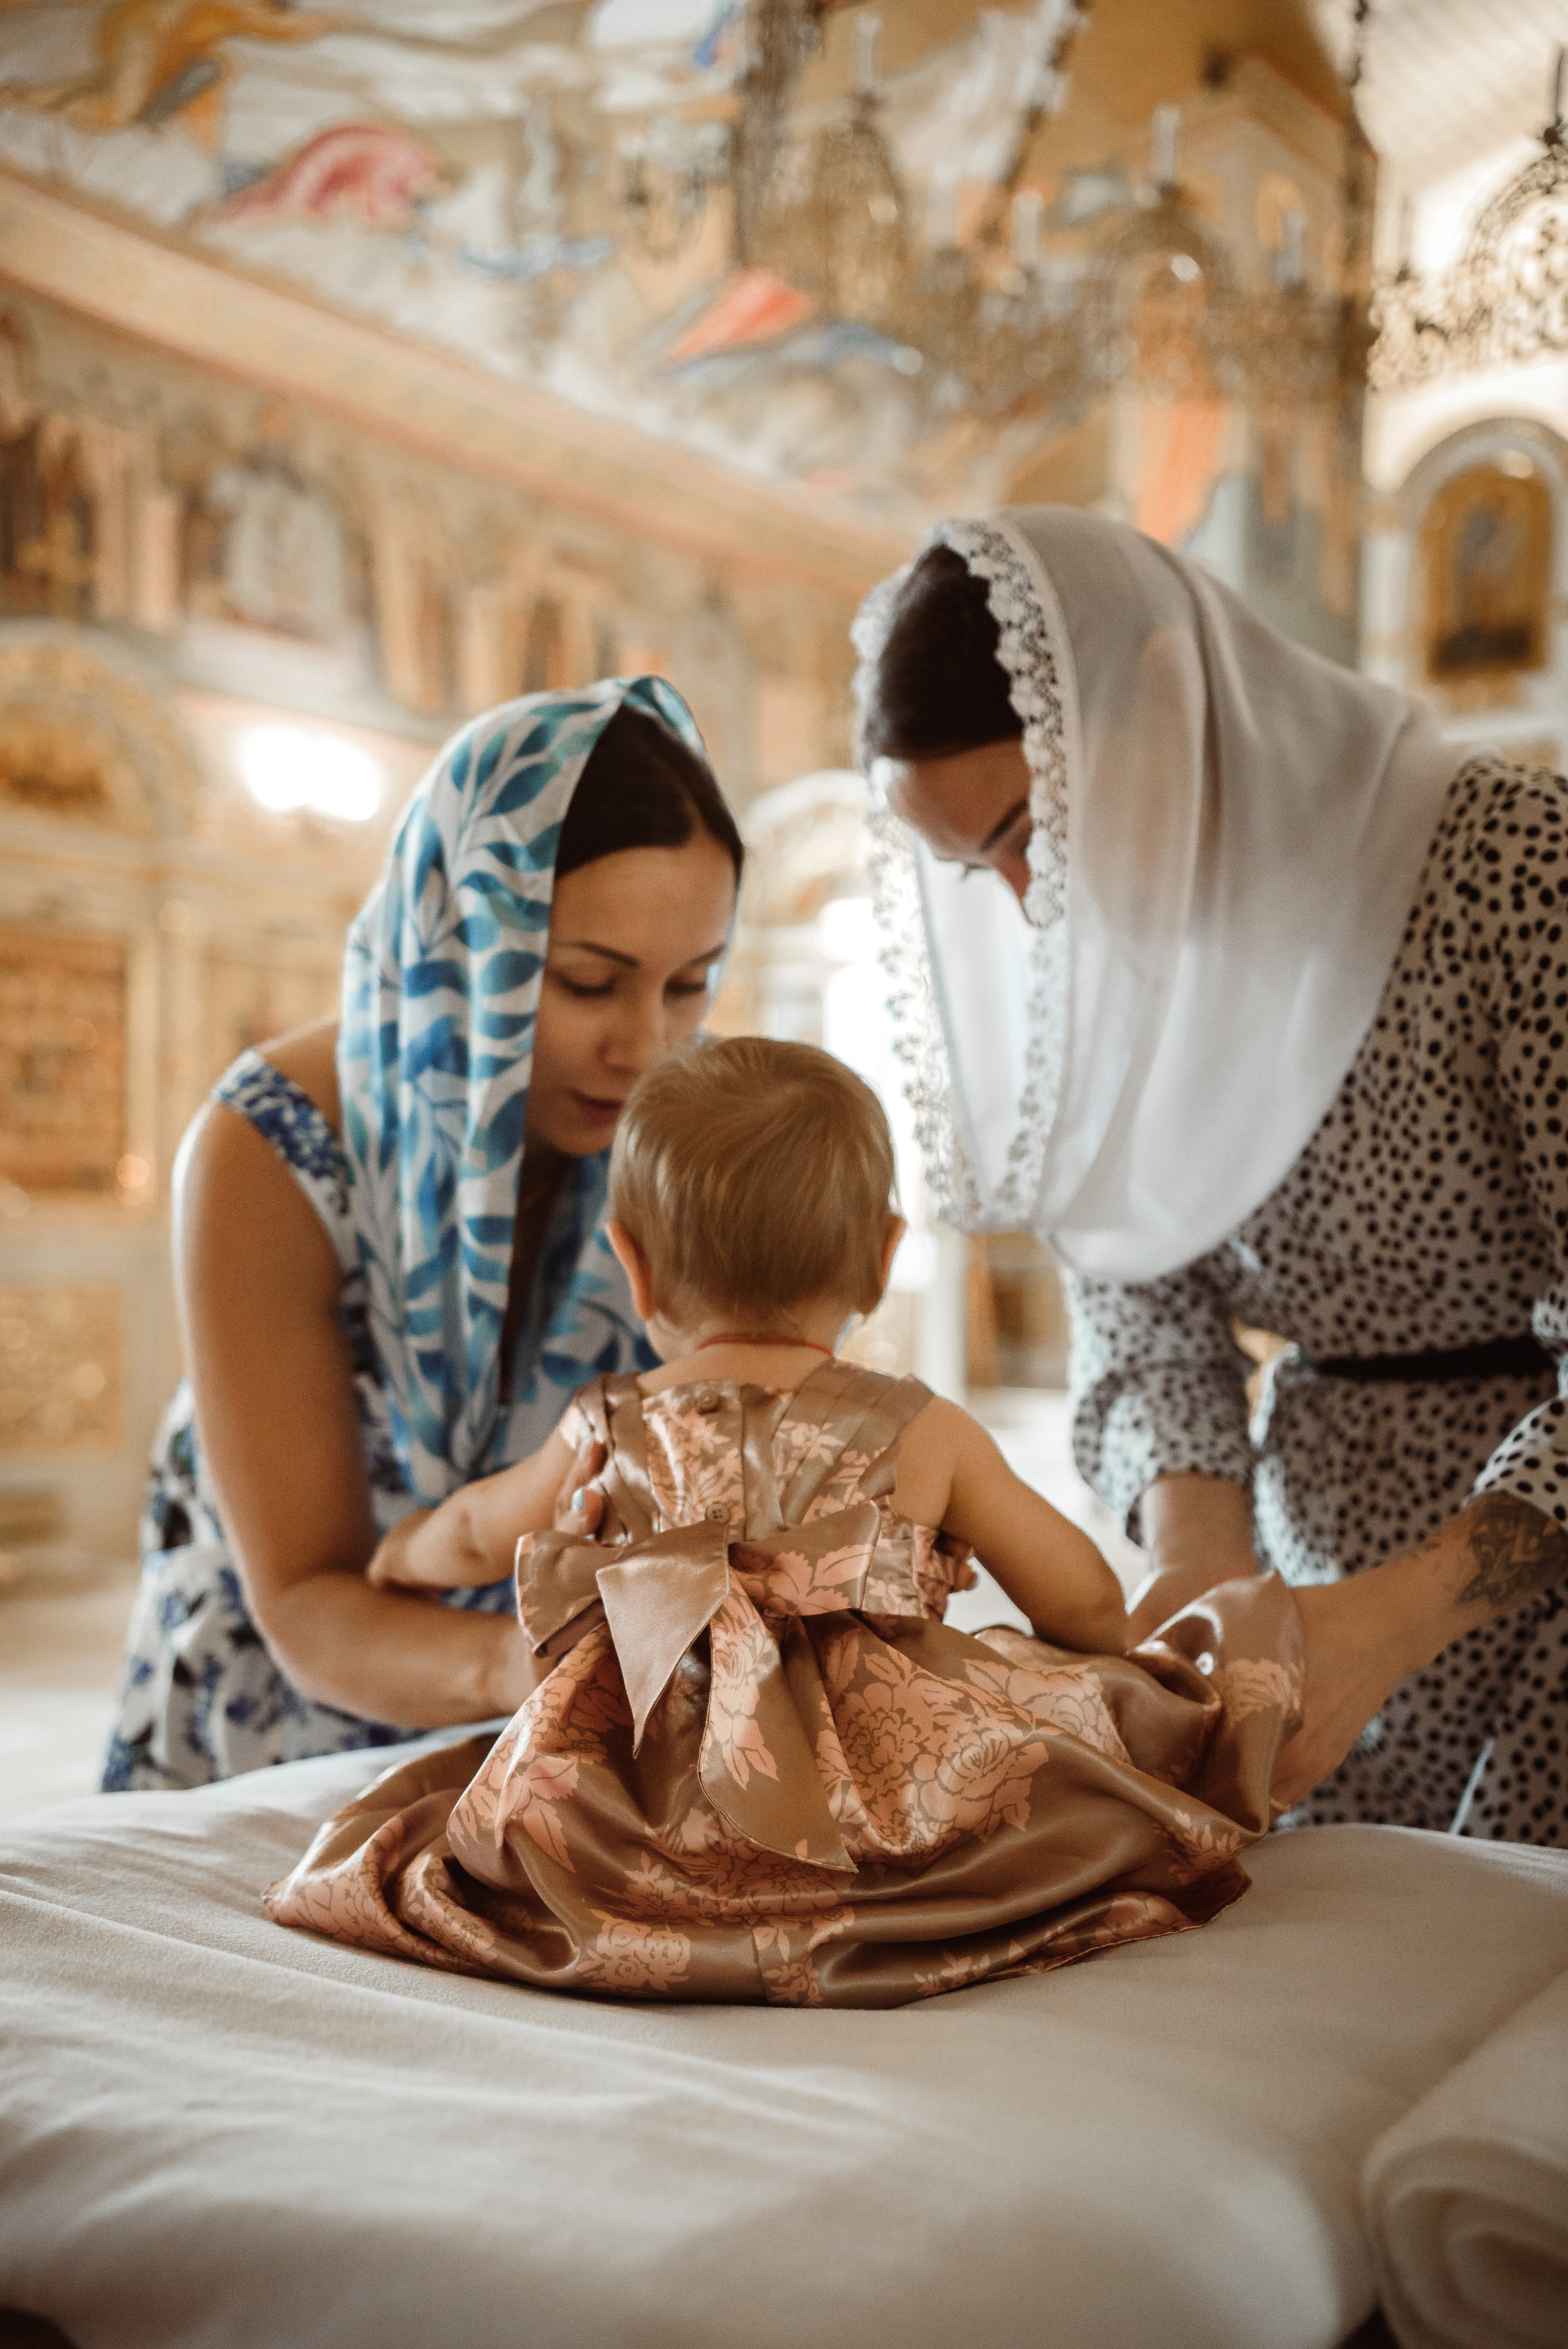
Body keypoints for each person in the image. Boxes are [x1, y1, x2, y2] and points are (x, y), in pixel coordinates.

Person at [265, 1037, 1305, 2008]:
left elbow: (472, 1534)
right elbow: (1079, 1592)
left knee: (499, 1811)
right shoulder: (924, 1429)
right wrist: (1096, 1648)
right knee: (1070, 1749)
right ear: (882, 1259)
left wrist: (400, 1554)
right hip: (887, 1811)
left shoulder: (604, 1424)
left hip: (630, 1812)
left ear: (632, 1262)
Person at [853, 506, 1568, 1843]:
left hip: (1530, 1579)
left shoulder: (1515, 867)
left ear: (1165, 699)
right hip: (1305, 1566)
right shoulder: (1112, 971)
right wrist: (1201, 1562)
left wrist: (1390, 1618)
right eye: (975, 868)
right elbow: (1145, 1306)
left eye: (1031, 829)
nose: (1028, 901)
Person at [103, 679, 743, 1791]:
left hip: (575, 1712)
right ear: (459, 943)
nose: (647, 1044)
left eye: (690, 984)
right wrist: (535, 1660)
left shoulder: (696, 1125)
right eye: (588, 982)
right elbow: (307, 1596)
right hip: (284, 1706)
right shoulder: (271, 1145)